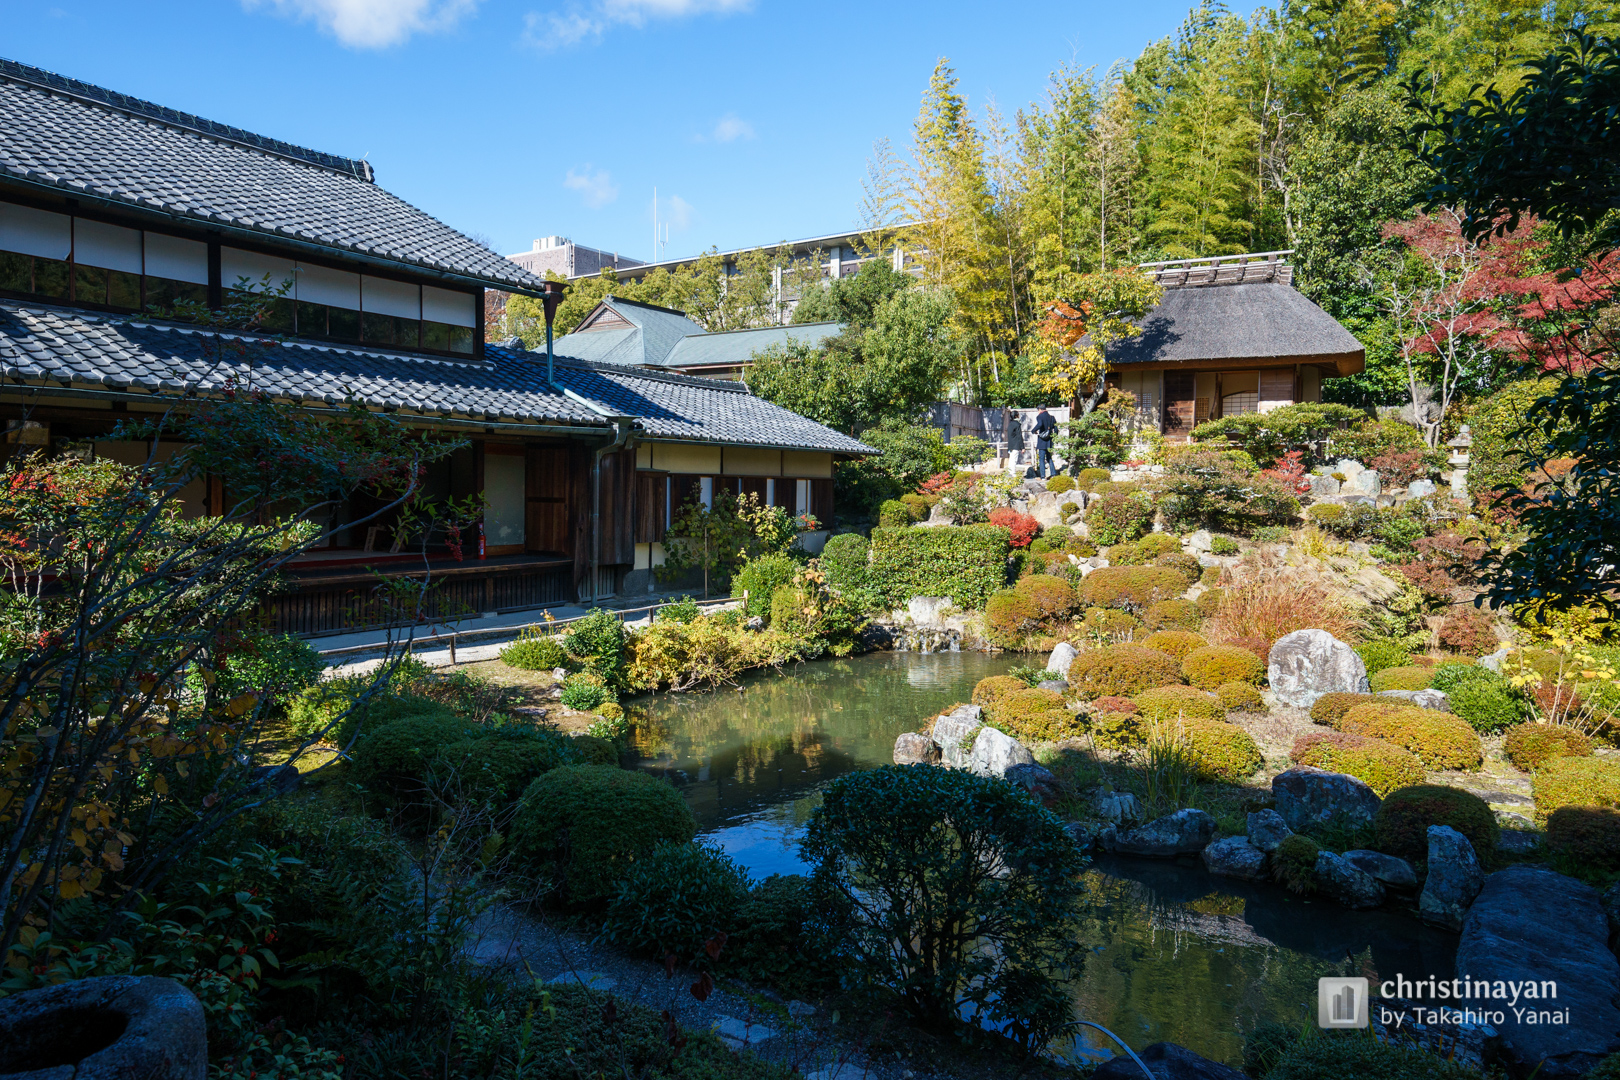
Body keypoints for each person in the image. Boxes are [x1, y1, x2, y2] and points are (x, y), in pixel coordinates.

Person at [1032, 406, 1058, 479]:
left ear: (1040, 409)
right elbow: (1056, 429)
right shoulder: (1052, 418)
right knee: (1049, 458)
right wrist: (1053, 437)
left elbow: (1040, 424)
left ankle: (1043, 476)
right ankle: (1053, 474)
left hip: (1042, 440)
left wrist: (1033, 430)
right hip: (1049, 440)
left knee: (1041, 458)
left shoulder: (1040, 416)